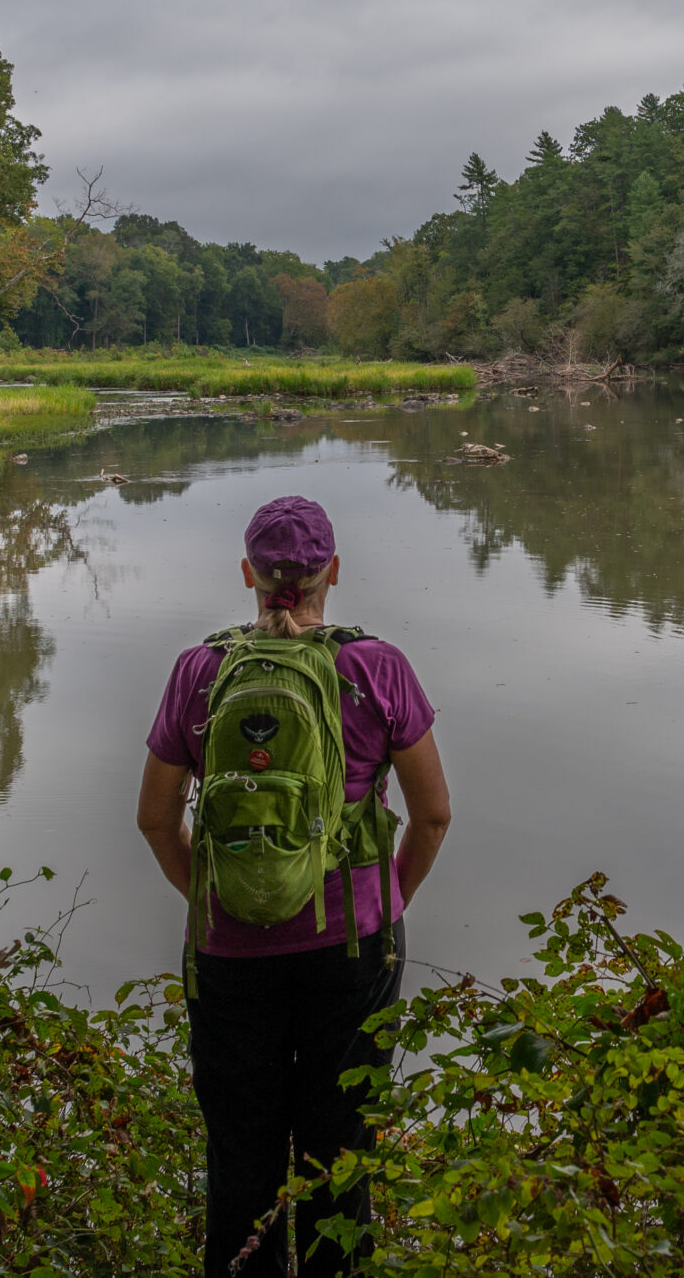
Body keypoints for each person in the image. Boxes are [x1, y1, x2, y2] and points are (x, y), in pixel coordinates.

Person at [137, 495, 452, 1278]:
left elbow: (154, 820)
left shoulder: (199, 671)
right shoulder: (377, 667)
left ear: (248, 573)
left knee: (240, 1157)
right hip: (353, 944)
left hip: (229, 953)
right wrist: (386, 900)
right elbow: (434, 817)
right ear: (331, 573)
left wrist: (212, 905)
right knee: (339, 1157)